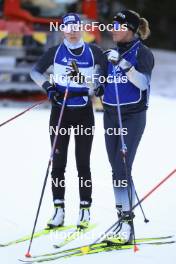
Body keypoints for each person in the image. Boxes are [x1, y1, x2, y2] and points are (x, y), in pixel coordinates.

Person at [30, 13, 106, 228]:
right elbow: (35, 72)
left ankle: (84, 210)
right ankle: (58, 210)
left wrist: (100, 85)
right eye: (67, 27)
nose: (72, 31)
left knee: (83, 163)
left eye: (75, 27)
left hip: (83, 112)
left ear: (81, 29)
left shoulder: (94, 51)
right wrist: (49, 88)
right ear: (62, 30)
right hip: (60, 112)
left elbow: (105, 73)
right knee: (58, 164)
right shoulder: (54, 52)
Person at [101, 10, 154, 243]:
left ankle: (126, 225)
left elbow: (142, 83)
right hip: (110, 115)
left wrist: (123, 65)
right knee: (117, 170)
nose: (113, 29)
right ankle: (122, 217)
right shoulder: (110, 53)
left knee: (122, 168)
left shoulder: (143, 53)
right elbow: (103, 81)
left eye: (118, 26)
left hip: (132, 116)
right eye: (112, 25)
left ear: (131, 30)